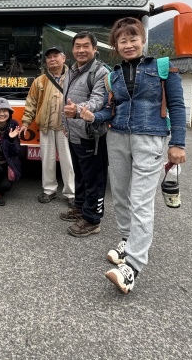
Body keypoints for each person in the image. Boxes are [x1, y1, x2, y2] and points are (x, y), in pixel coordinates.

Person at [81, 17, 186, 294]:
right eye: (122, 41)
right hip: (117, 137)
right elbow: (110, 111)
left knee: (141, 200)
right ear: (115, 45)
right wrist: (92, 115)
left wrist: (179, 144)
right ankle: (127, 241)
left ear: (142, 40)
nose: (128, 45)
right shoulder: (111, 76)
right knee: (121, 195)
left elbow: (176, 106)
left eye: (133, 39)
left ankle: (133, 267)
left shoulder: (163, 68)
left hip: (149, 138)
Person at [60, 32, 110, 237]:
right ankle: (80, 207)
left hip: (91, 134)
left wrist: (78, 111)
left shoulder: (101, 72)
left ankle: (92, 219)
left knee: (94, 179)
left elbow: (98, 101)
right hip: (74, 133)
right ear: (72, 49)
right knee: (80, 174)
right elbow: (66, 100)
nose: (81, 50)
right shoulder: (72, 70)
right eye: (77, 46)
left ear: (95, 49)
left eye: (86, 46)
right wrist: (66, 124)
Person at [21, 46, 75, 206]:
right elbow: (31, 103)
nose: (52, 59)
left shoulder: (74, 77)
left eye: (55, 56)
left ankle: (71, 193)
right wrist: (25, 122)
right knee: (47, 161)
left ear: (64, 58)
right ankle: (49, 190)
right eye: (49, 57)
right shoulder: (40, 81)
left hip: (67, 128)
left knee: (68, 162)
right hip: (46, 127)